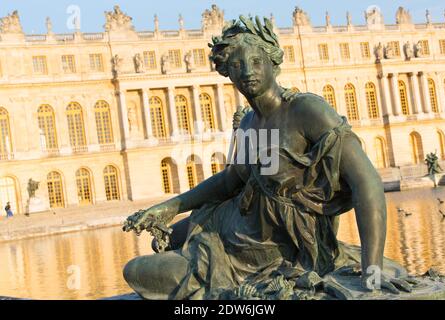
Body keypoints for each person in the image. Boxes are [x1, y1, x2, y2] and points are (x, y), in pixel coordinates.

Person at [122, 15, 413, 300]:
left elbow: (368, 183)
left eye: (257, 61)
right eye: (237, 65)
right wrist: (170, 206)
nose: (248, 71)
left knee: (136, 270)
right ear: (227, 72)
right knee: (167, 238)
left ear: (274, 62)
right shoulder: (249, 122)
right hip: (232, 227)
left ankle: (225, 281)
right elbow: (229, 182)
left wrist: (372, 268)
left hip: (267, 250)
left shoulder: (306, 110)